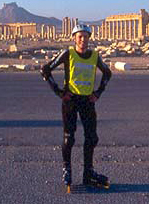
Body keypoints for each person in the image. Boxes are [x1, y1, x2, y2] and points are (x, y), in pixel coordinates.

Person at [40, 24, 112, 191]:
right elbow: (45, 70)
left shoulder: (94, 55)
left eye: (85, 36)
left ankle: (88, 172)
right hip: (70, 100)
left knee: (92, 138)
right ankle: (67, 169)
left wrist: (98, 93)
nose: (82, 39)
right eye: (79, 36)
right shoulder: (68, 53)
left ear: (89, 38)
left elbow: (107, 73)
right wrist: (59, 92)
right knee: (69, 137)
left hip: (87, 101)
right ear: (74, 38)